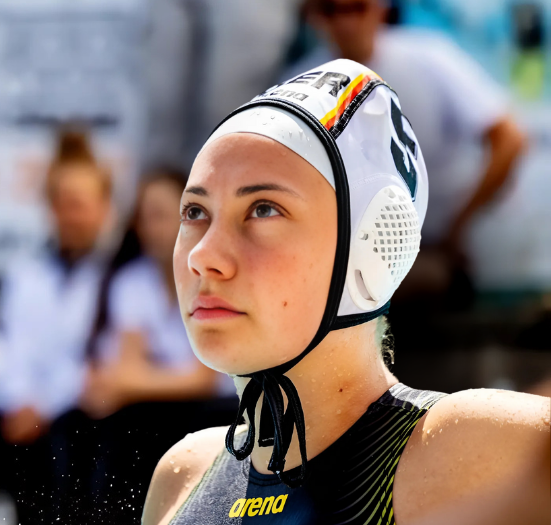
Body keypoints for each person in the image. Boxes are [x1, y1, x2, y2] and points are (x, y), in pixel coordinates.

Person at [143, 59, 550, 524]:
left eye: (263, 209)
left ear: (372, 243)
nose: (203, 255)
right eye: (195, 212)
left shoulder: (465, 451)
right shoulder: (182, 477)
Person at [293, 0, 529, 312]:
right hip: (371, 258)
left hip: (457, 251)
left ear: (381, 7)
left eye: (356, 7)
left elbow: (509, 139)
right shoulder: (299, 85)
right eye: (330, 10)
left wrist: (457, 228)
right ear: (312, 16)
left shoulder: (428, 58)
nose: (345, 22)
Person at [81, 171, 233, 522]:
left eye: (164, 215)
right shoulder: (133, 282)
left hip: (220, 408)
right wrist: (132, 381)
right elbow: (128, 370)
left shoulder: (216, 276)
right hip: (167, 409)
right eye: (146, 217)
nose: (154, 228)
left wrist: (128, 382)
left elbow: (205, 378)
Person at [0, 126, 117, 524]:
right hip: (26, 411)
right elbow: (13, 350)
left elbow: (101, 361)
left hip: (79, 412)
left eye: (79, 205)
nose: (69, 216)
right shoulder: (25, 274)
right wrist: (19, 400)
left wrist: (43, 407)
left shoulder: (116, 277)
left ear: (104, 208)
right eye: (61, 204)